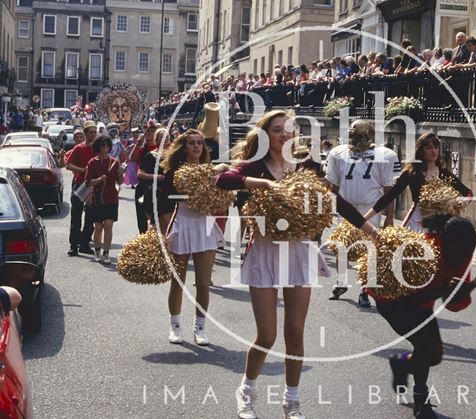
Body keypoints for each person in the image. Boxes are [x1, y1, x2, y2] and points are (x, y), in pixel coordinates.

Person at [216, 110, 378, 419]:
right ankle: (247, 392)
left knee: (295, 334)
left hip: (300, 251)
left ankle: (292, 401)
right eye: (278, 130)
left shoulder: (306, 167)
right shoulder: (256, 166)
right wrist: (259, 185)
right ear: (266, 136)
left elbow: (337, 202)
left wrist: (371, 231)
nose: (285, 135)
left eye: (289, 130)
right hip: (264, 251)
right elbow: (225, 179)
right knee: (266, 335)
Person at [372, 214, 476, 418]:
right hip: (391, 299)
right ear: (445, 243)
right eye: (460, 250)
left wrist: (470, 287)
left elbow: (454, 304)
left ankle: (402, 363)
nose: (463, 256)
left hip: (421, 303)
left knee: (435, 356)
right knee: (424, 346)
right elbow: (409, 298)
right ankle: (421, 401)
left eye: (468, 251)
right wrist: (447, 288)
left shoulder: (463, 255)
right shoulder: (423, 250)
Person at [325, 120, 400, 306]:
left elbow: (389, 189)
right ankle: (341, 281)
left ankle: (364, 289)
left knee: (369, 248)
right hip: (346, 206)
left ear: (368, 137)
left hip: (371, 207)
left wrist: (389, 217)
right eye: (352, 136)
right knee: (341, 245)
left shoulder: (385, 155)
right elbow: (332, 186)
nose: (354, 140)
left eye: (358, 137)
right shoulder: (338, 153)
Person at [163, 129, 225, 346]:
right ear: (184, 147)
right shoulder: (175, 171)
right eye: (192, 143)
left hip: (205, 226)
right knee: (177, 281)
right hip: (183, 224)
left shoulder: (211, 171)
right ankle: (175, 326)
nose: (197, 146)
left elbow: (222, 196)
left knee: (203, 283)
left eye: (200, 143)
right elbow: (166, 198)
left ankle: (200, 328)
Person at [363, 133, 471, 232]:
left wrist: (453, 206)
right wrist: (364, 219)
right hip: (416, 222)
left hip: (439, 224)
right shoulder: (412, 173)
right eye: (429, 148)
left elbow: (468, 193)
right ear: (420, 150)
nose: (434, 151)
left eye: (436, 147)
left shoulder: (444, 173)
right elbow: (390, 196)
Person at [84, 136, 123, 265]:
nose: (105, 148)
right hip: (98, 198)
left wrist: (121, 173)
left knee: (108, 225)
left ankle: (106, 253)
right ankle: (97, 251)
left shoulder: (114, 162)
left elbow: (119, 182)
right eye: (103, 145)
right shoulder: (92, 162)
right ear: (98, 147)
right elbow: (88, 182)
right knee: (98, 227)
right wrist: (99, 179)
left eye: (107, 145)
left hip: (111, 197)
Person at [65, 120, 98, 256]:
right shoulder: (79, 148)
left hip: (93, 185)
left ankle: (84, 244)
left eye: (95, 132)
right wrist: (83, 170)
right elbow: (68, 165)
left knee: (90, 216)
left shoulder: (98, 148)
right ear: (85, 134)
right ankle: (74, 245)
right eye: (91, 132)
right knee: (76, 216)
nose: (94, 134)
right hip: (79, 184)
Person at [138, 128, 175, 235]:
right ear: (156, 139)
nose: (165, 139)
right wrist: (155, 177)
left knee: (167, 222)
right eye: (161, 137)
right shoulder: (150, 156)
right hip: (153, 192)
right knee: (154, 224)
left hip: (169, 193)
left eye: (167, 137)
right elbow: (140, 174)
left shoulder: (173, 157)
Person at [134, 122, 159, 233]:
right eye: (147, 131)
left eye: (152, 131)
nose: (149, 133)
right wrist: (137, 145)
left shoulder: (160, 148)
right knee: (141, 216)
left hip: (157, 186)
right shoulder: (142, 147)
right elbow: (132, 158)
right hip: (143, 185)